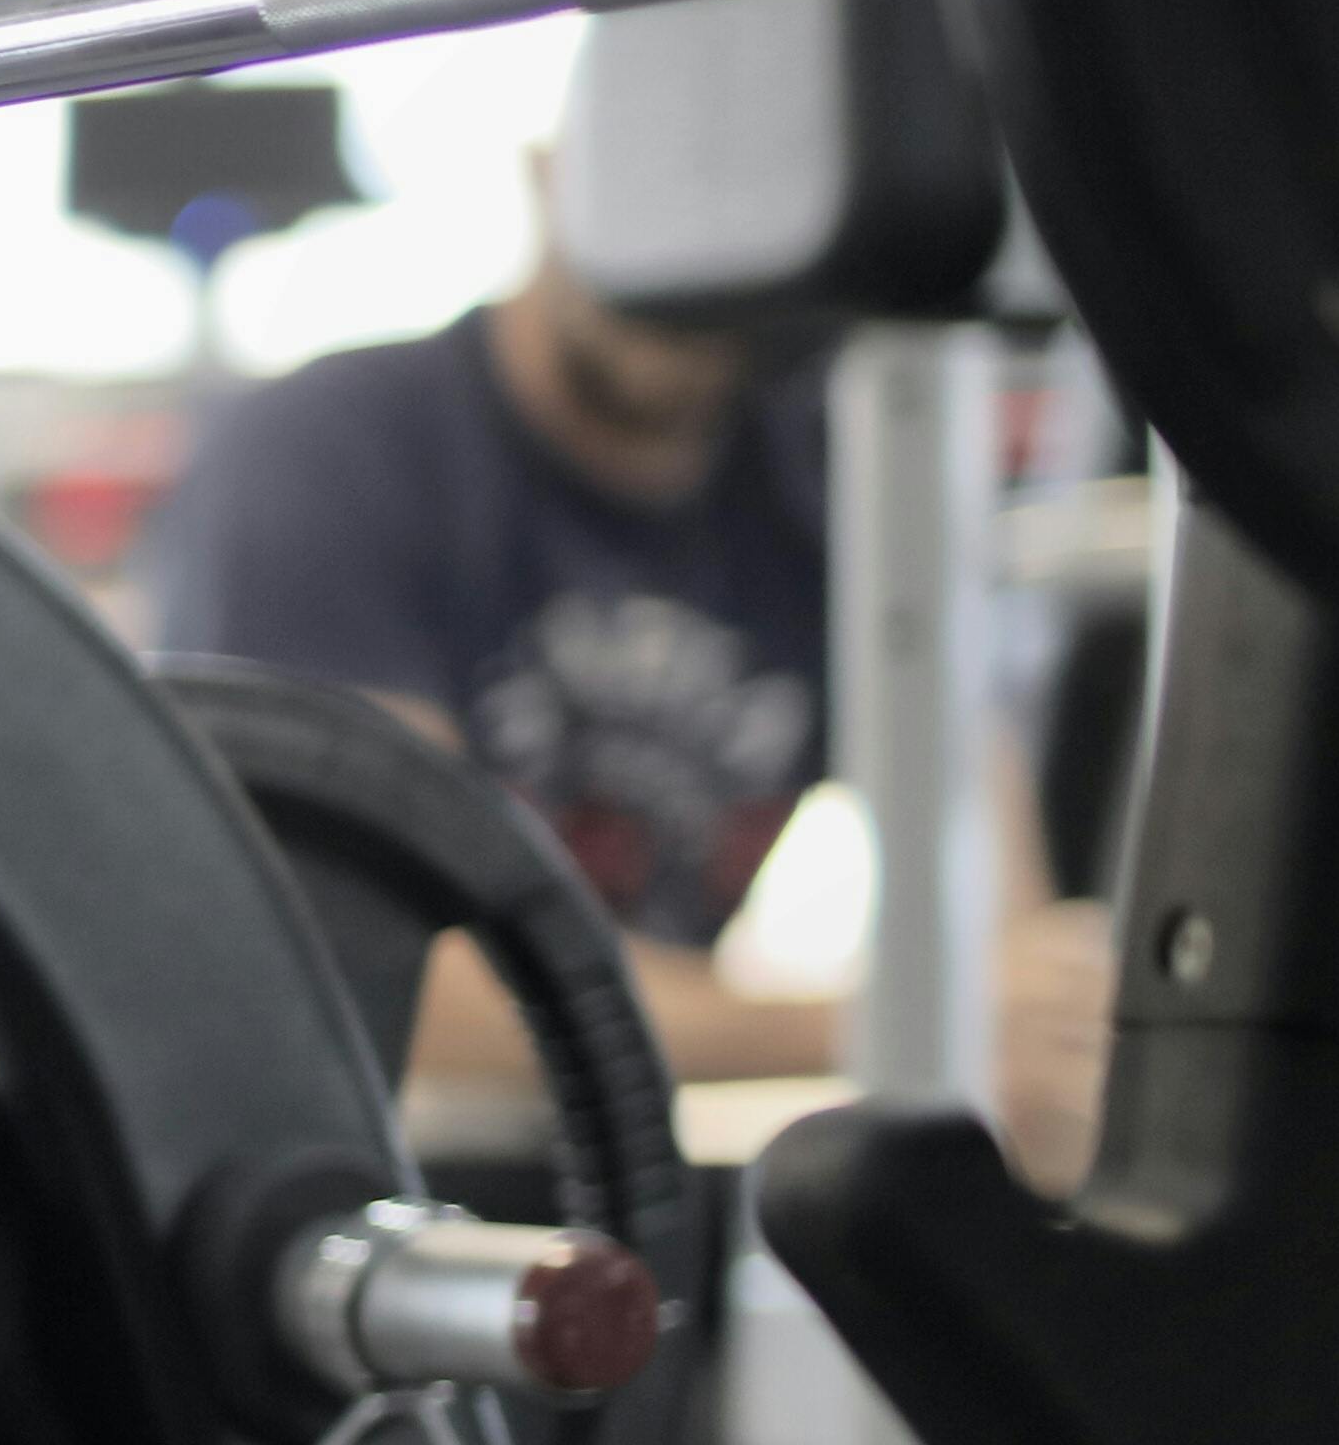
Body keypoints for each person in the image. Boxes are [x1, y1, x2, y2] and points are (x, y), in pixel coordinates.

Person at [134, 224, 1105, 1172]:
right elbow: (384, 981)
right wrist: (896, 1022)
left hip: (622, 1172)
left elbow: (1003, 930)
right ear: (553, 168)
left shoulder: (838, 472)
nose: (686, 261)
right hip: (341, 1178)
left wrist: (1044, 1048)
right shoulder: (331, 452)